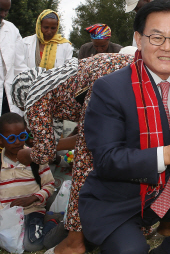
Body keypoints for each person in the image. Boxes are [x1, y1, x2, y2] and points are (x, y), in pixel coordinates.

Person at [79, 0, 170, 254]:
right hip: (118, 199)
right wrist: (169, 154)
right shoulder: (109, 88)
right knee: (130, 250)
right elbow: (105, 160)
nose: (167, 47)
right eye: (156, 37)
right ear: (138, 39)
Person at [13, 54, 137, 254]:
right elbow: (85, 130)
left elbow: (44, 152)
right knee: (134, 152)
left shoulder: (34, 97)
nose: (31, 115)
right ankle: (157, 225)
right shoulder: (58, 82)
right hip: (134, 71)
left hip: (107, 76)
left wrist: (27, 155)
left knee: (83, 166)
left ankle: (74, 242)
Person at [0, 113, 58, 252]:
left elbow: (49, 185)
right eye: (12, 138)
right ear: (1, 140)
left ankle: (51, 221)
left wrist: (33, 198)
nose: (18, 142)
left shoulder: (36, 159)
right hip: (6, 215)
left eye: (22, 136)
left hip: (32, 211)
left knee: (32, 245)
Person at [0, 0, 29, 115]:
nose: (3, 14)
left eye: (6, 11)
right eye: (0, 9)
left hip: (7, 99)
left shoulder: (12, 30)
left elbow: (19, 67)